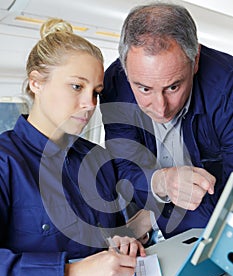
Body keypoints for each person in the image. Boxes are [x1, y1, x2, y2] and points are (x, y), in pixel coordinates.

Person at [0, 18, 146, 276]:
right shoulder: (5, 161)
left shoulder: (97, 160)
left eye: (95, 92)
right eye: (76, 87)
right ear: (36, 82)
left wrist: (122, 245)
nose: (90, 105)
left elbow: (109, 238)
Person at [100, 2, 233, 239]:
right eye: (144, 88)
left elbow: (230, 197)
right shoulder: (115, 84)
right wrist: (160, 182)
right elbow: (123, 165)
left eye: (173, 86)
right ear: (126, 70)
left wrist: (152, 218)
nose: (161, 109)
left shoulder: (228, 88)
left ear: (196, 60)